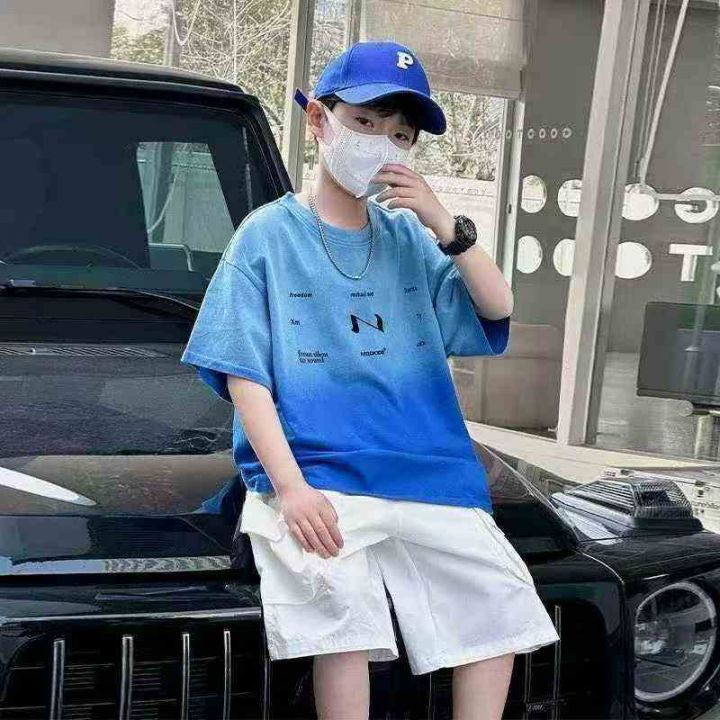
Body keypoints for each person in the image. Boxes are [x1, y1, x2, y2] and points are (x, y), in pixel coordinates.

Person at [181, 39, 559, 720]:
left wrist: (444, 222)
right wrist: (290, 488)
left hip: (428, 468)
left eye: (400, 134)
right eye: (363, 122)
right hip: (321, 471)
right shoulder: (266, 236)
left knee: (500, 610)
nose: (382, 142)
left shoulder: (412, 238)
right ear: (318, 119)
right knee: (342, 622)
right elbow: (245, 375)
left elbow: (496, 305)